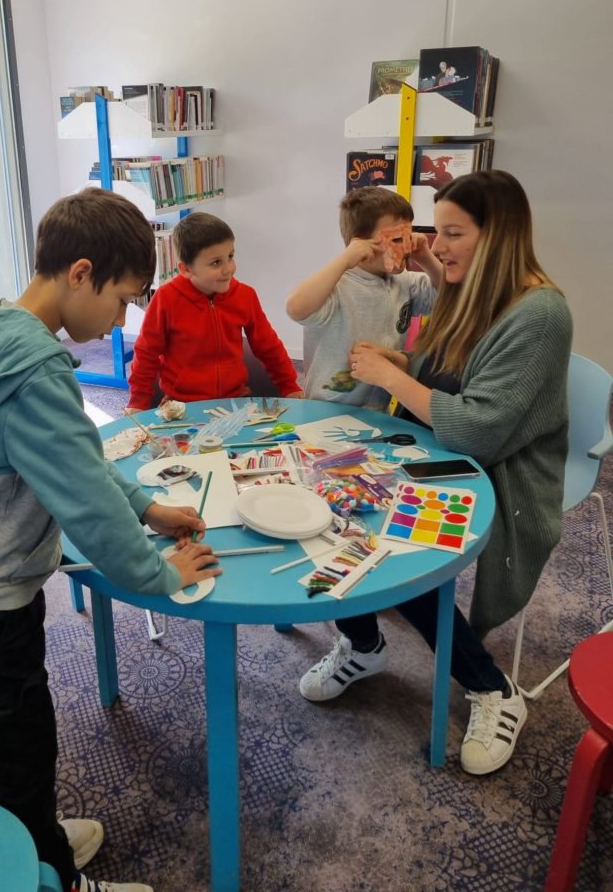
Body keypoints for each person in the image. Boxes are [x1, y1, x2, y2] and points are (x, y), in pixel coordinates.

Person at [0, 188, 222, 892]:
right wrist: (160, 572)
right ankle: (46, 875)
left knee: (7, 734)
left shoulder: (0, 332)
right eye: (122, 300)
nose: (121, 321)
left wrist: (146, 507)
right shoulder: (36, 376)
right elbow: (86, 505)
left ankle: (27, 841)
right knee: (21, 746)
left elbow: (78, 463)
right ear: (80, 272)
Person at [298, 170, 573, 776]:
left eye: (451, 233)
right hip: (442, 444)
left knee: (400, 545)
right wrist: (407, 360)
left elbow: (478, 428)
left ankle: (492, 688)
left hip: (500, 469)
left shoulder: (541, 313)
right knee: (333, 502)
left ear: (497, 235)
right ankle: (365, 646)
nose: (434, 244)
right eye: (432, 230)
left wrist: (393, 376)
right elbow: (449, 363)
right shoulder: (480, 290)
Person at [126, 211, 303, 410]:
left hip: (234, 401)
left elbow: (268, 346)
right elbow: (146, 354)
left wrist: (289, 385)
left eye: (230, 256)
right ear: (186, 269)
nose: (229, 268)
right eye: (216, 262)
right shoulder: (166, 299)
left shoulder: (245, 295)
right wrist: (137, 403)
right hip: (182, 406)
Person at [286, 187, 442, 408]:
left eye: (409, 235)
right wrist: (345, 259)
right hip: (326, 409)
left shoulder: (404, 282)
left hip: (377, 411)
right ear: (360, 245)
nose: (406, 248)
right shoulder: (336, 286)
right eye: (397, 239)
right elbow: (296, 308)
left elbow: (453, 296)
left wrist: (425, 256)